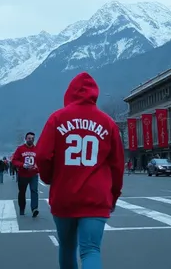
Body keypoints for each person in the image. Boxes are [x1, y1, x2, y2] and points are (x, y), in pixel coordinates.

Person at [35, 72, 124, 269]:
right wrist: (114, 196)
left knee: (67, 247)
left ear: (69, 93)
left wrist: (49, 178)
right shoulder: (108, 123)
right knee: (91, 250)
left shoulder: (57, 119)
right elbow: (117, 165)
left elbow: (41, 155)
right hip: (96, 198)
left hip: (64, 196)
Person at [12, 132, 40, 217]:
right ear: (25, 138)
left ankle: (34, 208)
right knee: (22, 192)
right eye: (29, 138)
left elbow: (40, 161)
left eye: (32, 138)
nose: (31, 140)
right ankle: (22, 208)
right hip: (23, 174)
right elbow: (14, 160)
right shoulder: (20, 149)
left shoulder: (37, 149)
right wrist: (22, 165)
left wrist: (37, 166)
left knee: (34, 190)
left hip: (33, 174)